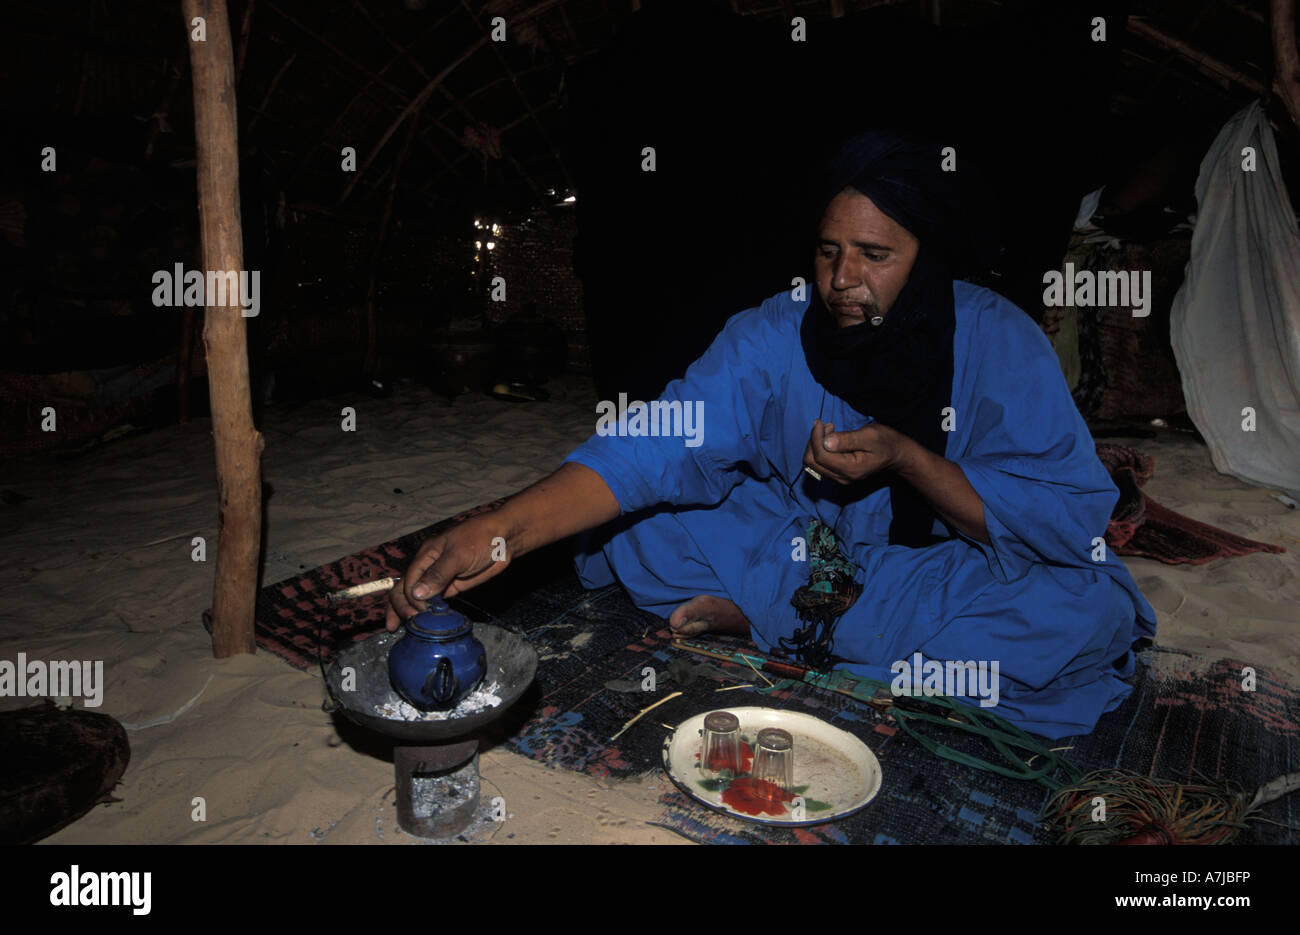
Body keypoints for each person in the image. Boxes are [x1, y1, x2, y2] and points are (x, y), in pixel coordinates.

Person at [387, 131, 1157, 740]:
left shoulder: (1000, 341)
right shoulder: (776, 333)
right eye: (829, 250)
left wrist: (909, 458)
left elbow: (1061, 519)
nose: (843, 279)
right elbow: (656, 443)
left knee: (1086, 611)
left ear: (928, 260)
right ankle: (809, 624)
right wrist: (501, 531)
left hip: (946, 572)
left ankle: (767, 621)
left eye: (875, 255)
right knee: (637, 527)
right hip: (802, 551)